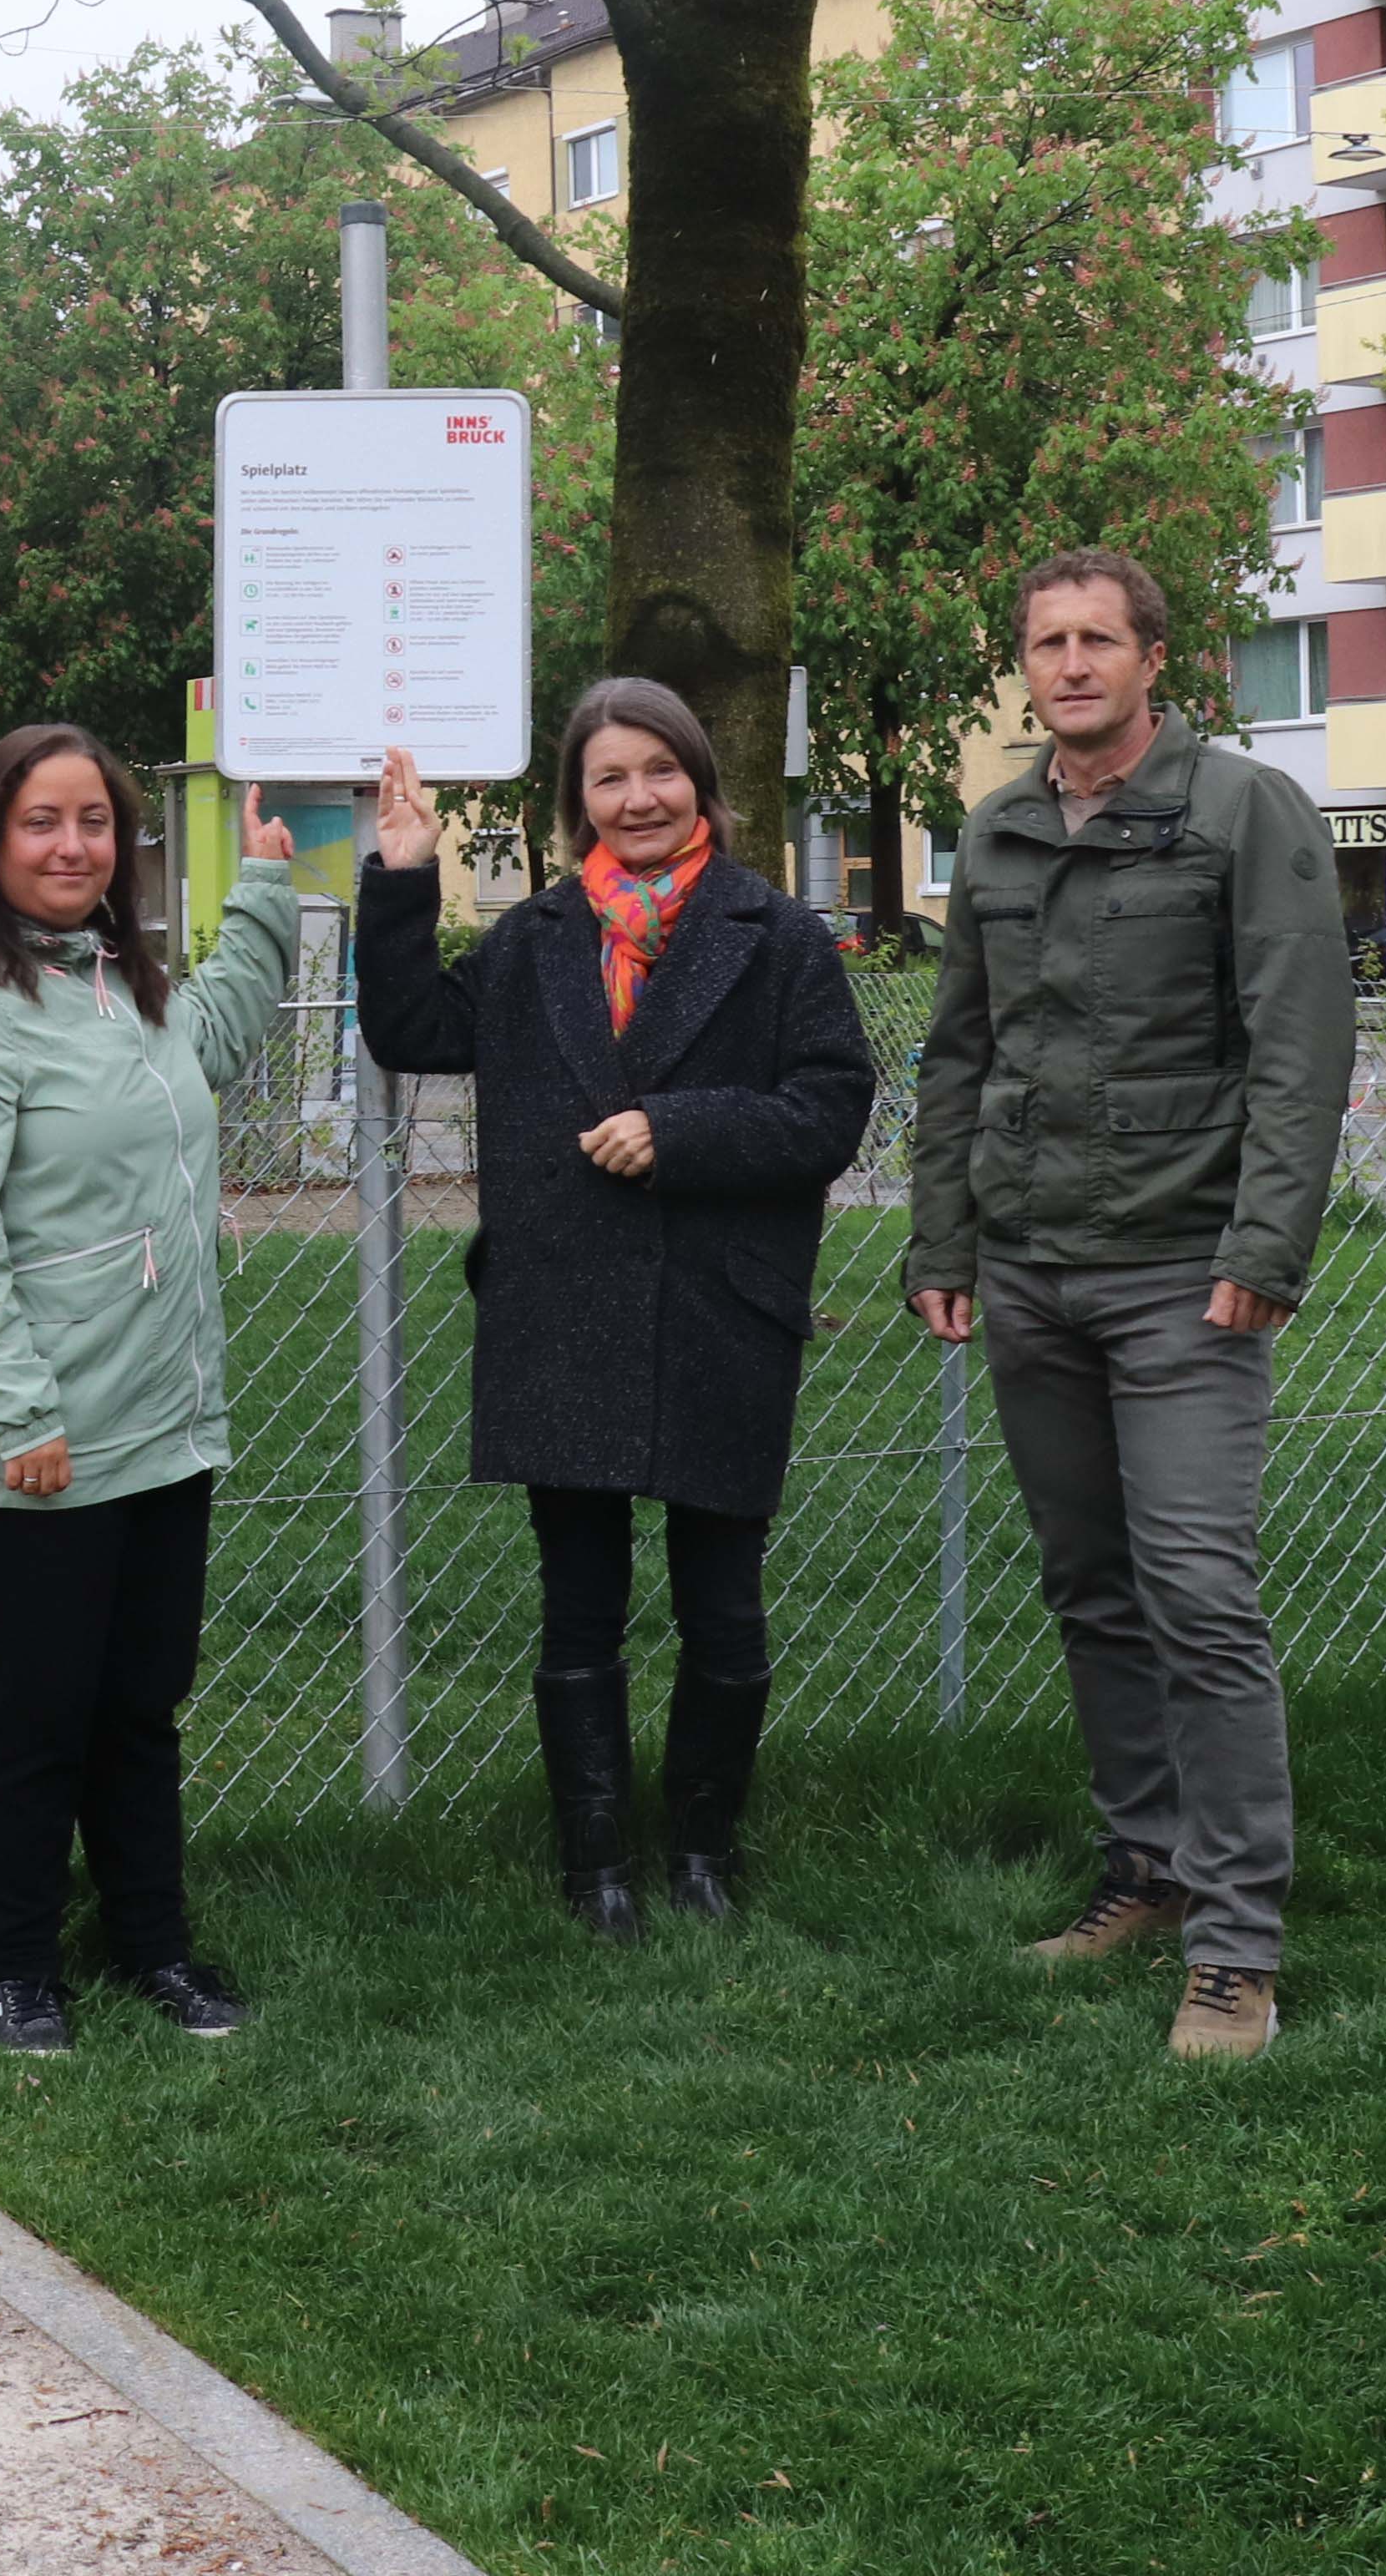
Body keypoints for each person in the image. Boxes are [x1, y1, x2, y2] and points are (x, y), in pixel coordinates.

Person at [905, 549, 1353, 2062]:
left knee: (1201, 1600)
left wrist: (1266, 1246)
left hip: (1186, 1279)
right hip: (1031, 1270)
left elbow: (1300, 1044)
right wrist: (944, 1245)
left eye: (1102, 638)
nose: (1074, 662)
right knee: (1091, 1590)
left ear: (1155, 658)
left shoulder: (1242, 811)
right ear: (1024, 666)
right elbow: (959, 1054)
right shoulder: (998, 828)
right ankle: (1147, 1871)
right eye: (1049, 641)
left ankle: (1237, 1946)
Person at [357, 681, 877, 1939]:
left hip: (721, 1308)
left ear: (701, 781)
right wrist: (403, 873)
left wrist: (680, 1130)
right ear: (576, 800)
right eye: (609, 778)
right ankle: (594, 1869)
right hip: (563, 1307)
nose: (638, 798)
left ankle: (701, 1853)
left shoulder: (779, 935)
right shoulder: (537, 939)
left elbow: (830, 1107)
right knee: (577, 1602)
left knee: (724, 1603)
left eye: (661, 771)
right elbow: (413, 1024)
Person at [0, 721, 301, 2056]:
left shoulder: (117, 979)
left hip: (157, 1424)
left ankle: (153, 1948)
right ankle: (17, 1972)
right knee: (43, 1712)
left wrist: (269, 890)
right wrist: (19, 1411)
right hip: (32, 1437)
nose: (72, 846)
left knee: (140, 1701)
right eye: (43, 821)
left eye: (96, 823)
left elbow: (208, 1049)